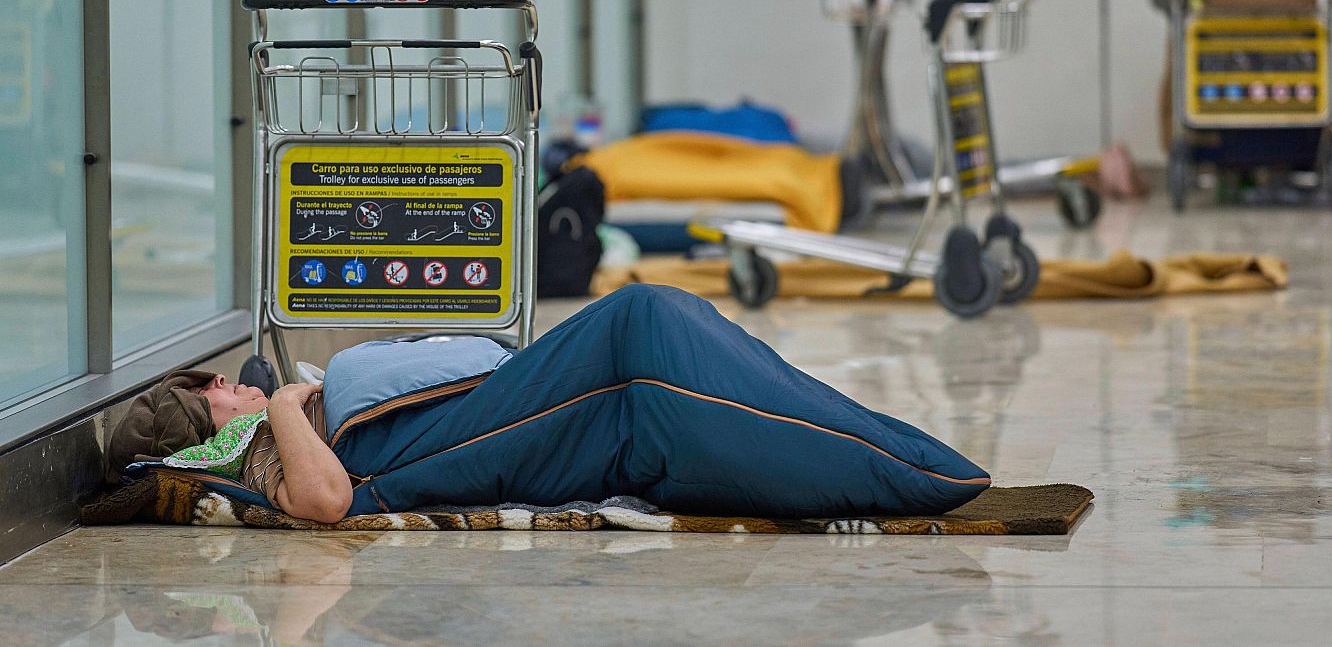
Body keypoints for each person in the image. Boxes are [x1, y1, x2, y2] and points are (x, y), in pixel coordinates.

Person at [105, 285, 990, 523]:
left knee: (663, 326)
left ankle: (908, 460)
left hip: (574, 397)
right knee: (650, 334)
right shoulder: (265, 453)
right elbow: (327, 501)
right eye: (207, 394)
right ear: (199, 440)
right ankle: (913, 473)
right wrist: (292, 405)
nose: (224, 381)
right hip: (604, 397)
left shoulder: (273, 421)